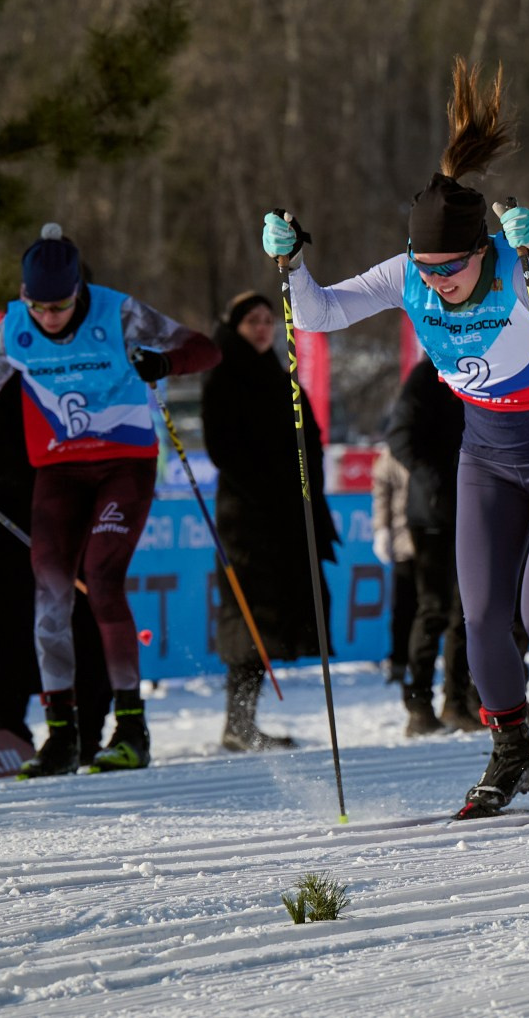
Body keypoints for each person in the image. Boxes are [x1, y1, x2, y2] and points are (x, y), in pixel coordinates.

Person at [262, 59, 529, 820]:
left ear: (483, 252)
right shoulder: (409, 274)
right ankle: (511, 751)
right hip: (486, 455)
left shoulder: (520, 274)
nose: (438, 282)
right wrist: (293, 266)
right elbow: (320, 314)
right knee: (482, 613)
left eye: (451, 268)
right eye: (426, 270)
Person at [0, 224, 219, 777]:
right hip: (58, 469)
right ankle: (62, 736)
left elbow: (204, 349)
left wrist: (164, 364)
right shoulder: (13, 328)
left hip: (123, 464)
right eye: (40, 307)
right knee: (51, 597)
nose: (50, 319)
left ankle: (131, 728)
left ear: (79, 292)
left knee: (101, 579)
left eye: (60, 306)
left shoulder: (118, 313)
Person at [0, 319, 112, 755]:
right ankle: (11, 727)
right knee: (13, 622)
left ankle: (87, 727)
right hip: (11, 512)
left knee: (81, 616)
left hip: (75, 507)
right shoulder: (1, 347)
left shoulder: (91, 348)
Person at [200, 290, 336, 752]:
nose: (262, 328)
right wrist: (269, 484)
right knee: (247, 616)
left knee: (270, 615)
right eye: (252, 321)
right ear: (234, 326)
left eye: (267, 320)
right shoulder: (225, 373)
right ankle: (237, 723)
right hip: (247, 519)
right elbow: (224, 448)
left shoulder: (279, 373)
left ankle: (243, 722)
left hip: (284, 517)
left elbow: (307, 438)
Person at [384, 356, 478, 733]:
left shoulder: (480, 365)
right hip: (433, 513)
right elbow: (399, 436)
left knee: (466, 613)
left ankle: (456, 702)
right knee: (434, 609)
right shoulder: (426, 375)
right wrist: (434, 480)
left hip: (473, 509)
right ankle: (418, 704)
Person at [371, 441, 414, 686]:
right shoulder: (391, 456)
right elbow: (381, 495)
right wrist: (382, 529)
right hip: (404, 540)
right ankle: (398, 662)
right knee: (404, 607)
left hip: (438, 538)